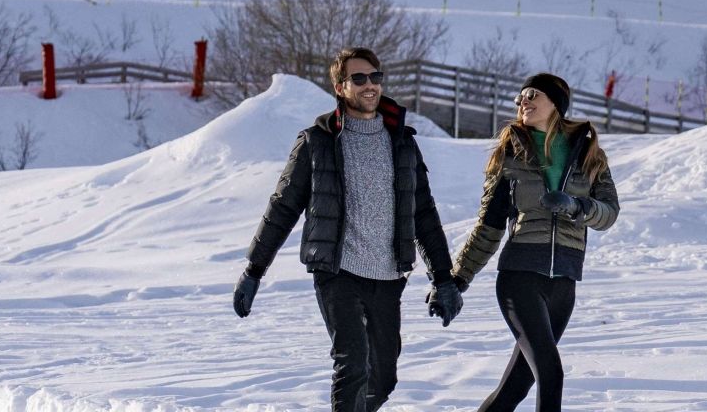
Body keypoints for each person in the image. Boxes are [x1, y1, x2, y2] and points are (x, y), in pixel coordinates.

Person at [231, 47, 464, 412]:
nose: (370, 85)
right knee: (352, 364)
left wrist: (444, 279)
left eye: (375, 77)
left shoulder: (402, 142)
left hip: (388, 275)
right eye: (359, 78)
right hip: (337, 271)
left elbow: (424, 215)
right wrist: (253, 270)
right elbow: (282, 208)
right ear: (341, 87)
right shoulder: (317, 142)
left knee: (383, 379)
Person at [452, 72, 622, 412]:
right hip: (520, 277)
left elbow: (610, 213)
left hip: (564, 284)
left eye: (531, 94)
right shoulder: (510, 155)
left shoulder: (588, 154)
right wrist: (457, 279)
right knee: (551, 373)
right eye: (519, 98)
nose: (522, 101)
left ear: (555, 103)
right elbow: (488, 226)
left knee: (513, 390)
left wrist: (579, 206)